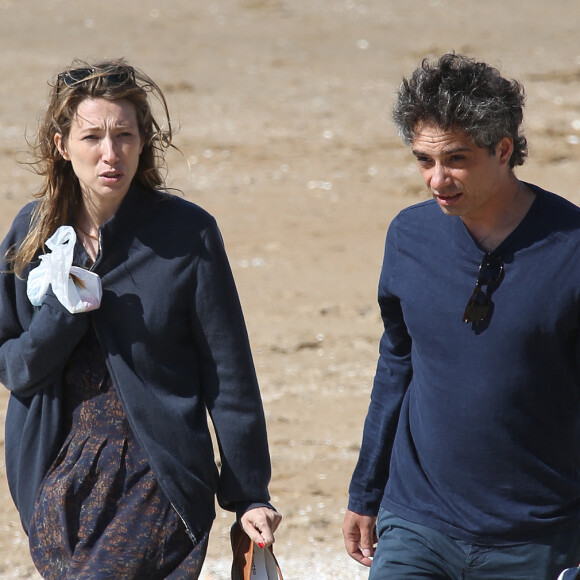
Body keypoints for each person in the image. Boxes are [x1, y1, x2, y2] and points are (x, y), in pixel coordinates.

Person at [0, 58, 281, 579]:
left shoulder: (188, 234)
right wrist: (62, 315)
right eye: (92, 137)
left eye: (125, 135)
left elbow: (229, 373)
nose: (111, 153)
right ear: (62, 146)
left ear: (142, 141)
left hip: (161, 471)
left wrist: (250, 495)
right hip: (55, 478)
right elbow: (14, 366)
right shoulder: (32, 233)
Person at [342, 52, 580, 579]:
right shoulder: (409, 236)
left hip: (538, 537)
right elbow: (396, 366)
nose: (436, 179)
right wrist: (366, 491)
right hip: (417, 523)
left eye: (456, 159)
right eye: (424, 160)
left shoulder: (573, 248)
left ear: (503, 150)